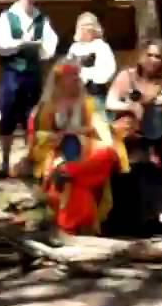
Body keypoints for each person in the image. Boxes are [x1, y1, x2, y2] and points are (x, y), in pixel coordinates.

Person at [103, 38, 162, 239]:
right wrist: (129, 106)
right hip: (133, 136)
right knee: (140, 166)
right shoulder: (127, 76)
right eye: (150, 55)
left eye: (158, 56)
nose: (154, 60)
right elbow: (110, 102)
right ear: (141, 56)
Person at [27, 57, 125, 235]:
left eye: (77, 75)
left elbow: (101, 130)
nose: (76, 79)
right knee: (79, 188)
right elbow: (36, 139)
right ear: (58, 80)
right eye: (71, 75)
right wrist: (60, 136)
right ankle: (72, 224)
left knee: (109, 153)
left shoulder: (89, 104)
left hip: (84, 154)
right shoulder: (47, 107)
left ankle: (68, 172)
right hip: (57, 154)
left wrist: (84, 132)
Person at [0, 0, 58, 178]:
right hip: (12, 74)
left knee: (33, 119)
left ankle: (31, 161)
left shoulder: (41, 19)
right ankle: (4, 161)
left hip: (33, 74)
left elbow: (51, 43)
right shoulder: (7, 17)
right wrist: (18, 44)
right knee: (8, 118)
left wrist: (40, 50)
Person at [67, 12, 116, 110]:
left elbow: (108, 69)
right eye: (82, 27)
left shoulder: (101, 46)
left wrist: (87, 75)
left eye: (88, 28)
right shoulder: (74, 48)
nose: (85, 31)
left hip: (94, 94)